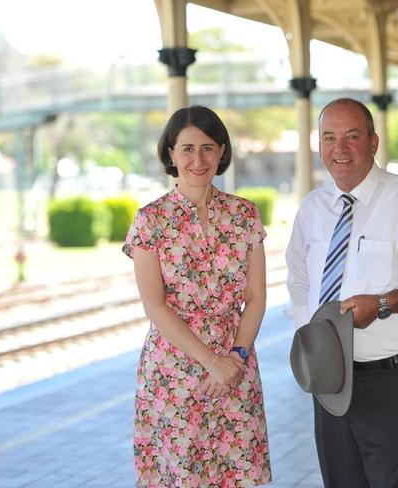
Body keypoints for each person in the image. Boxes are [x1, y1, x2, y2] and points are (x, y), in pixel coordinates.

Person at [285, 98, 398, 487]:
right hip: (332, 384)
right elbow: (300, 281)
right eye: (330, 137)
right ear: (319, 145)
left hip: (395, 381)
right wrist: (316, 344)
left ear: (374, 142)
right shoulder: (312, 208)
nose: (340, 148)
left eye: (352, 137)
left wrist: (384, 303)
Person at [123, 105, 272, 487]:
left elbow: (256, 296)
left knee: (236, 472)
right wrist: (211, 362)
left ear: (222, 151)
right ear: (170, 154)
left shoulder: (244, 215)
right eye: (187, 148)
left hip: (236, 364)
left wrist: (235, 358)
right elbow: (154, 305)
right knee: (182, 475)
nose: (198, 159)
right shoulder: (150, 221)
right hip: (175, 368)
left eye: (208, 147)